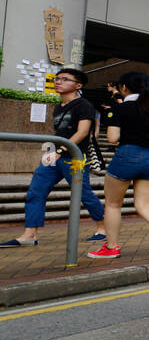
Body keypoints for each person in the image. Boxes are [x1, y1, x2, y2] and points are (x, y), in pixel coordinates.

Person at [2, 68, 107, 249]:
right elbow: (61, 132)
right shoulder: (59, 107)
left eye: (65, 79)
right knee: (36, 191)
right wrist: (52, 150)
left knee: (84, 194)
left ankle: (103, 228)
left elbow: (82, 132)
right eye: (57, 79)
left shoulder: (84, 105)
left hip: (74, 159)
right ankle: (29, 234)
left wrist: (59, 150)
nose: (58, 82)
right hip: (54, 157)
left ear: (78, 85)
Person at [83, 71, 149, 261]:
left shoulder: (118, 109)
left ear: (124, 88)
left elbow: (112, 138)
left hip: (128, 155)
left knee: (113, 204)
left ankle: (111, 247)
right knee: (144, 205)